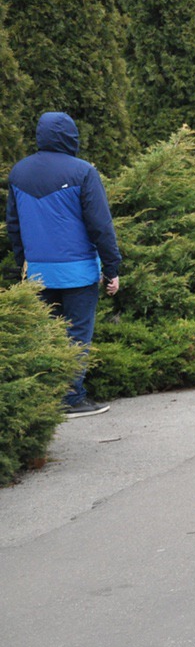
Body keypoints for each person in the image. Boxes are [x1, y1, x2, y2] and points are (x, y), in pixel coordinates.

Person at [6, 112, 121, 418]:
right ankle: (71, 398)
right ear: (71, 136)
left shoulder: (19, 173)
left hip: (38, 273)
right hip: (78, 272)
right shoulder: (83, 171)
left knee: (46, 335)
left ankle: (46, 397)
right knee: (77, 334)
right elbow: (101, 226)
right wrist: (112, 268)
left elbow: (14, 226)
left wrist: (24, 264)